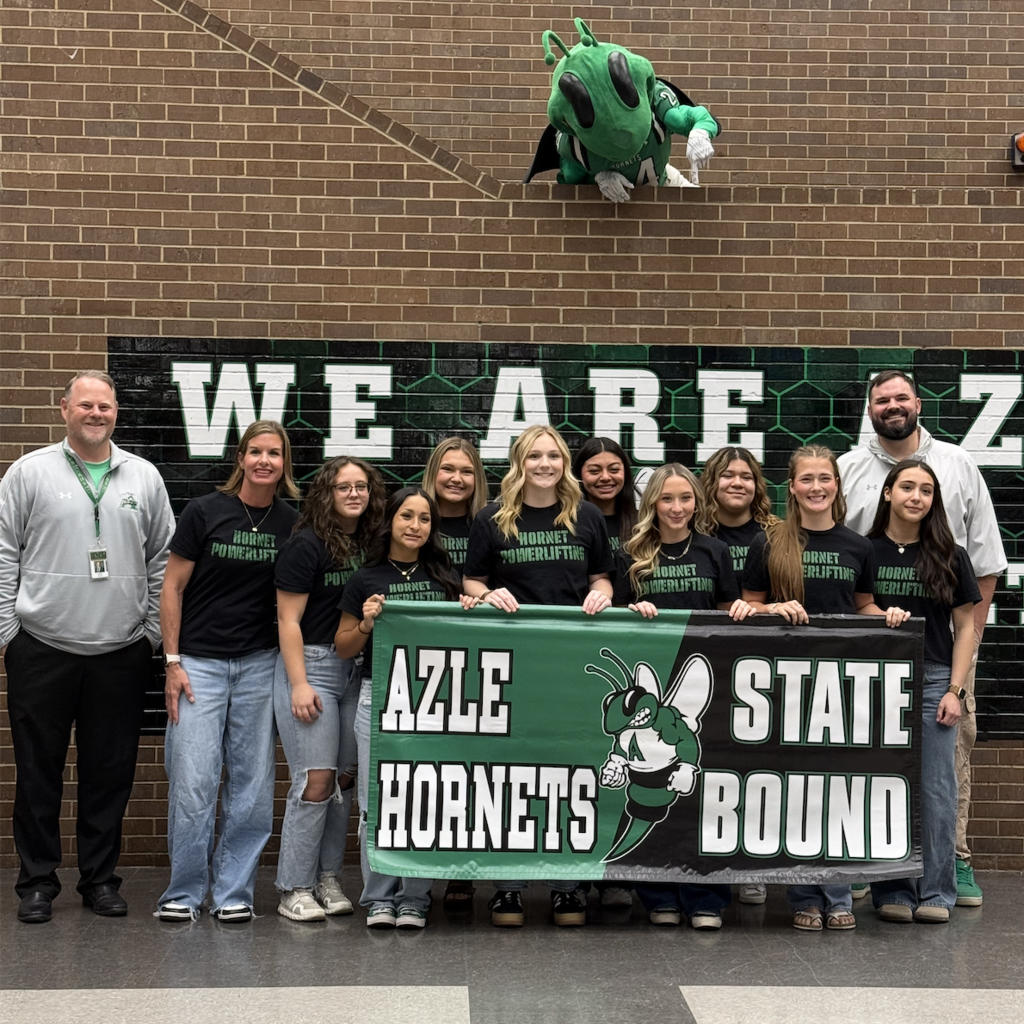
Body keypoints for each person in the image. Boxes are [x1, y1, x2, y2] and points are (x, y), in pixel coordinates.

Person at [0, 371, 174, 924]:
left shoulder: (142, 477)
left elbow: (163, 561)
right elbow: (4, 553)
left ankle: (100, 879)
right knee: (37, 772)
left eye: (105, 406)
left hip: (120, 651)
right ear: (64, 410)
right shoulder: (29, 472)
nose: (95, 414)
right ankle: (37, 882)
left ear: (116, 412)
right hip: (42, 647)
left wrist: (148, 633)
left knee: (109, 772)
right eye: (85, 405)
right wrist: (9, 634)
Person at [838, 369, 1007, 906]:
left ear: (918, 403)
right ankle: (872, 864)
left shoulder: (958, 464)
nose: (893, 405)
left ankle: (950, 864)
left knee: (946, 763)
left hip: (944, 654)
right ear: (870, 409)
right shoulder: (846, 468)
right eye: (882, 398)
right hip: (871, 656)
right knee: (872, 765)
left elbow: (984, 561)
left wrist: (965, 652)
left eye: (901, 397)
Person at [742, 444, 905, 932]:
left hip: (841, 689)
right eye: (807, 479)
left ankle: (838, 896)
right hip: (784, 687)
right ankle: (802, 898)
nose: (817, 487)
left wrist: (888, 614)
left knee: (836, 792)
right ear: (791, 487)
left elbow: (863, 608)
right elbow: (747, 606)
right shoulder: (768, 543)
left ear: (838, 485)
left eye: (825, 479)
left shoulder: (859, 546)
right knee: (796, 792)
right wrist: (776, 608)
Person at [463, 424, 615, 928]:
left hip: (572, 661)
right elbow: (472, 579)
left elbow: (601, 576)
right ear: (519, 462)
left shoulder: (586, 515)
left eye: (553, 456)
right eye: (535, 456)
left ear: (564, 464)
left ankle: (567, 887)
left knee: (570, 773)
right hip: (514, 662)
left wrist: (604, 594)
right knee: (514, 772)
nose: (545, 464)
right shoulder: (491, 519)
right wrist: (484, 595)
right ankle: (508, 886)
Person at [157, 420, 299, 922]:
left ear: (285, 464)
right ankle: (183, 892)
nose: (265, 461)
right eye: (256, 452)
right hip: (199, 664)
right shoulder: (205, 511)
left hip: (261, 666)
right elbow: (171, 587)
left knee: (253, 785)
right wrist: (172, 662)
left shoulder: (291, 523)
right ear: (240, 458)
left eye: (275, 454)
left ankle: (234, 893)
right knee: (193, 781)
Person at [614, 463, 753, 929]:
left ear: (698, 502)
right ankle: (658, 895)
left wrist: (736, 607)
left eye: (685, 498)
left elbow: (726, 608)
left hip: (702, 683)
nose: (676, 508)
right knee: (654, 793)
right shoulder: (631, 553)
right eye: (666, 498)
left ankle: (706, 897)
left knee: (696, 793)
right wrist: (633, 610)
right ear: (651, 503)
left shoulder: (715, 550)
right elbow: (611, 618)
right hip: (650, 683)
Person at [335, 486, 477, 929]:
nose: (415, 526)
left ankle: (415, 896)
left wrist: (469, 610)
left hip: (435, 701)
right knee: (376, 801)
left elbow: (467, 639)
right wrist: (366, 622)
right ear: (390, 521)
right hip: (380, 697)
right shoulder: (366, 577)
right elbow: (343, 647)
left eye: (424, 519)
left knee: (425, 799)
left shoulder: (446, 576)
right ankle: (379, 896)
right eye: (406, 516)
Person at [866, 460, 980, 924]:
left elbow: (966, 625)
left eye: (926, 490)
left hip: (934, 676)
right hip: (879, 679)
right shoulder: (865, 550)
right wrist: (880, 613)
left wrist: (955, 689)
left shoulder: (950, 555)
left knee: (936, 788)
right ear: (889, 492)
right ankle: (891, 887)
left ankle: (936, 892)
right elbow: (858, 607)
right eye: (907, 487)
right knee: (885, 785)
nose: (916, 497)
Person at [273, 456, 385, 922]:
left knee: (343, 780)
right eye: (344, 487)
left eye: (362, 486)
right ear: (327, 493)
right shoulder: (307, 544)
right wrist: (298, 683)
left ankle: (327, 877)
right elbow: (288, 620)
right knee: (315, 781)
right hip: (315, 667)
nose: (355, 494)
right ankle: (292, 887)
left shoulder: (371, 543)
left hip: (357, 668)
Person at [700, 445, 778, 906]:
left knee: (753, 767)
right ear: (711, 482)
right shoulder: (693, 533)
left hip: (757, 668)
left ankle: (752, 865)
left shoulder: (774, 536)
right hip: (706, 666)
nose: (737, 483)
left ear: (757, 486)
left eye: (746, 476)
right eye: (727, 475)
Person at [422, 436, 488, 906]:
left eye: (466, 471)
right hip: (425, 656)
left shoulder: (491, 522)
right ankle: (428, 867)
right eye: (448, 469)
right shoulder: (413, 515)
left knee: (475, 766)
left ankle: (464, 870)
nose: (457, 478)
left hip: (485, 655)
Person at [572, 436, 638, 552]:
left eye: (614, 470)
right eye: (594, 471)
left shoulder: (643, 525)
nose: (605, 477)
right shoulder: (568, 525)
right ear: (579, 474)